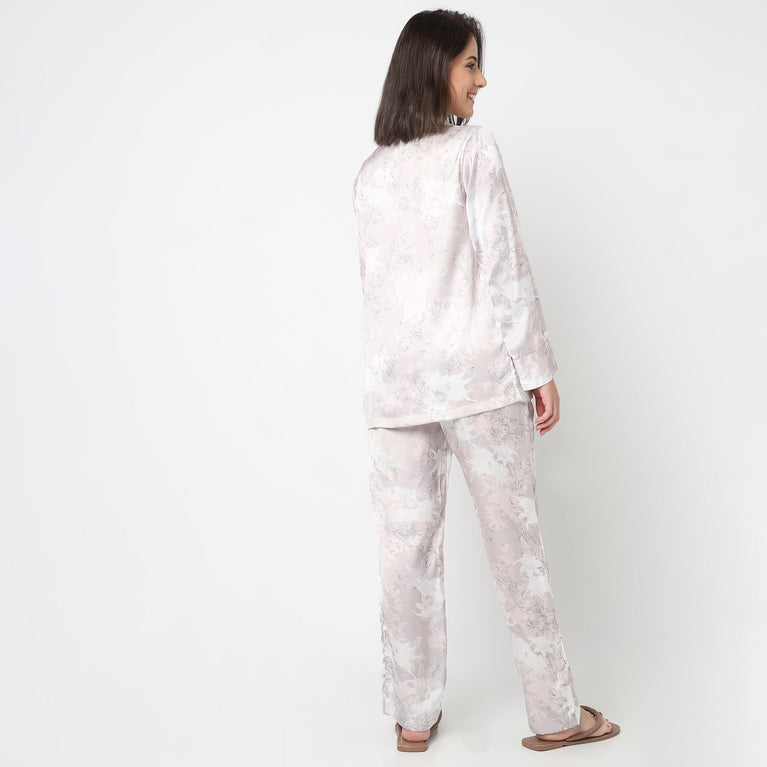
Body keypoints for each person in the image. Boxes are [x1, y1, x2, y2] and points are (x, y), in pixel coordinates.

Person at [351, 9, 621, 754]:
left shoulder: (370, 174)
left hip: (396, 388)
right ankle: (555, 715)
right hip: (476, 378)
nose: (481, 79)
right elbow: (502, 264)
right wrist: (537, 368)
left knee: (403, 557)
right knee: (516, 548)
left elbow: (376, 293)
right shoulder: (473, 150)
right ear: (432, 67)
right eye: (469, 63)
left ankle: (412, 718)